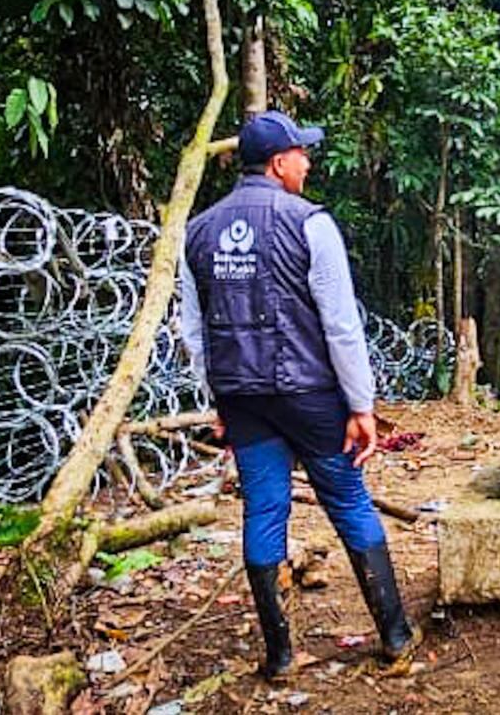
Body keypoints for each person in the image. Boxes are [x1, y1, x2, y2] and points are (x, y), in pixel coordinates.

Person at [179, 110, 421, 680]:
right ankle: (394, 637)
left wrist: (217, 400)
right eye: (302, 154)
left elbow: (194, 330)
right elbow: (341, 324)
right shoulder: (310, 223)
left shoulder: (199, 230)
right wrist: (361, 405)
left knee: (264, 509)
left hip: (244, 398)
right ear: (278, 162)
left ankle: (281, 656)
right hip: (309, 396)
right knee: (349, 500)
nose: (308, 163)